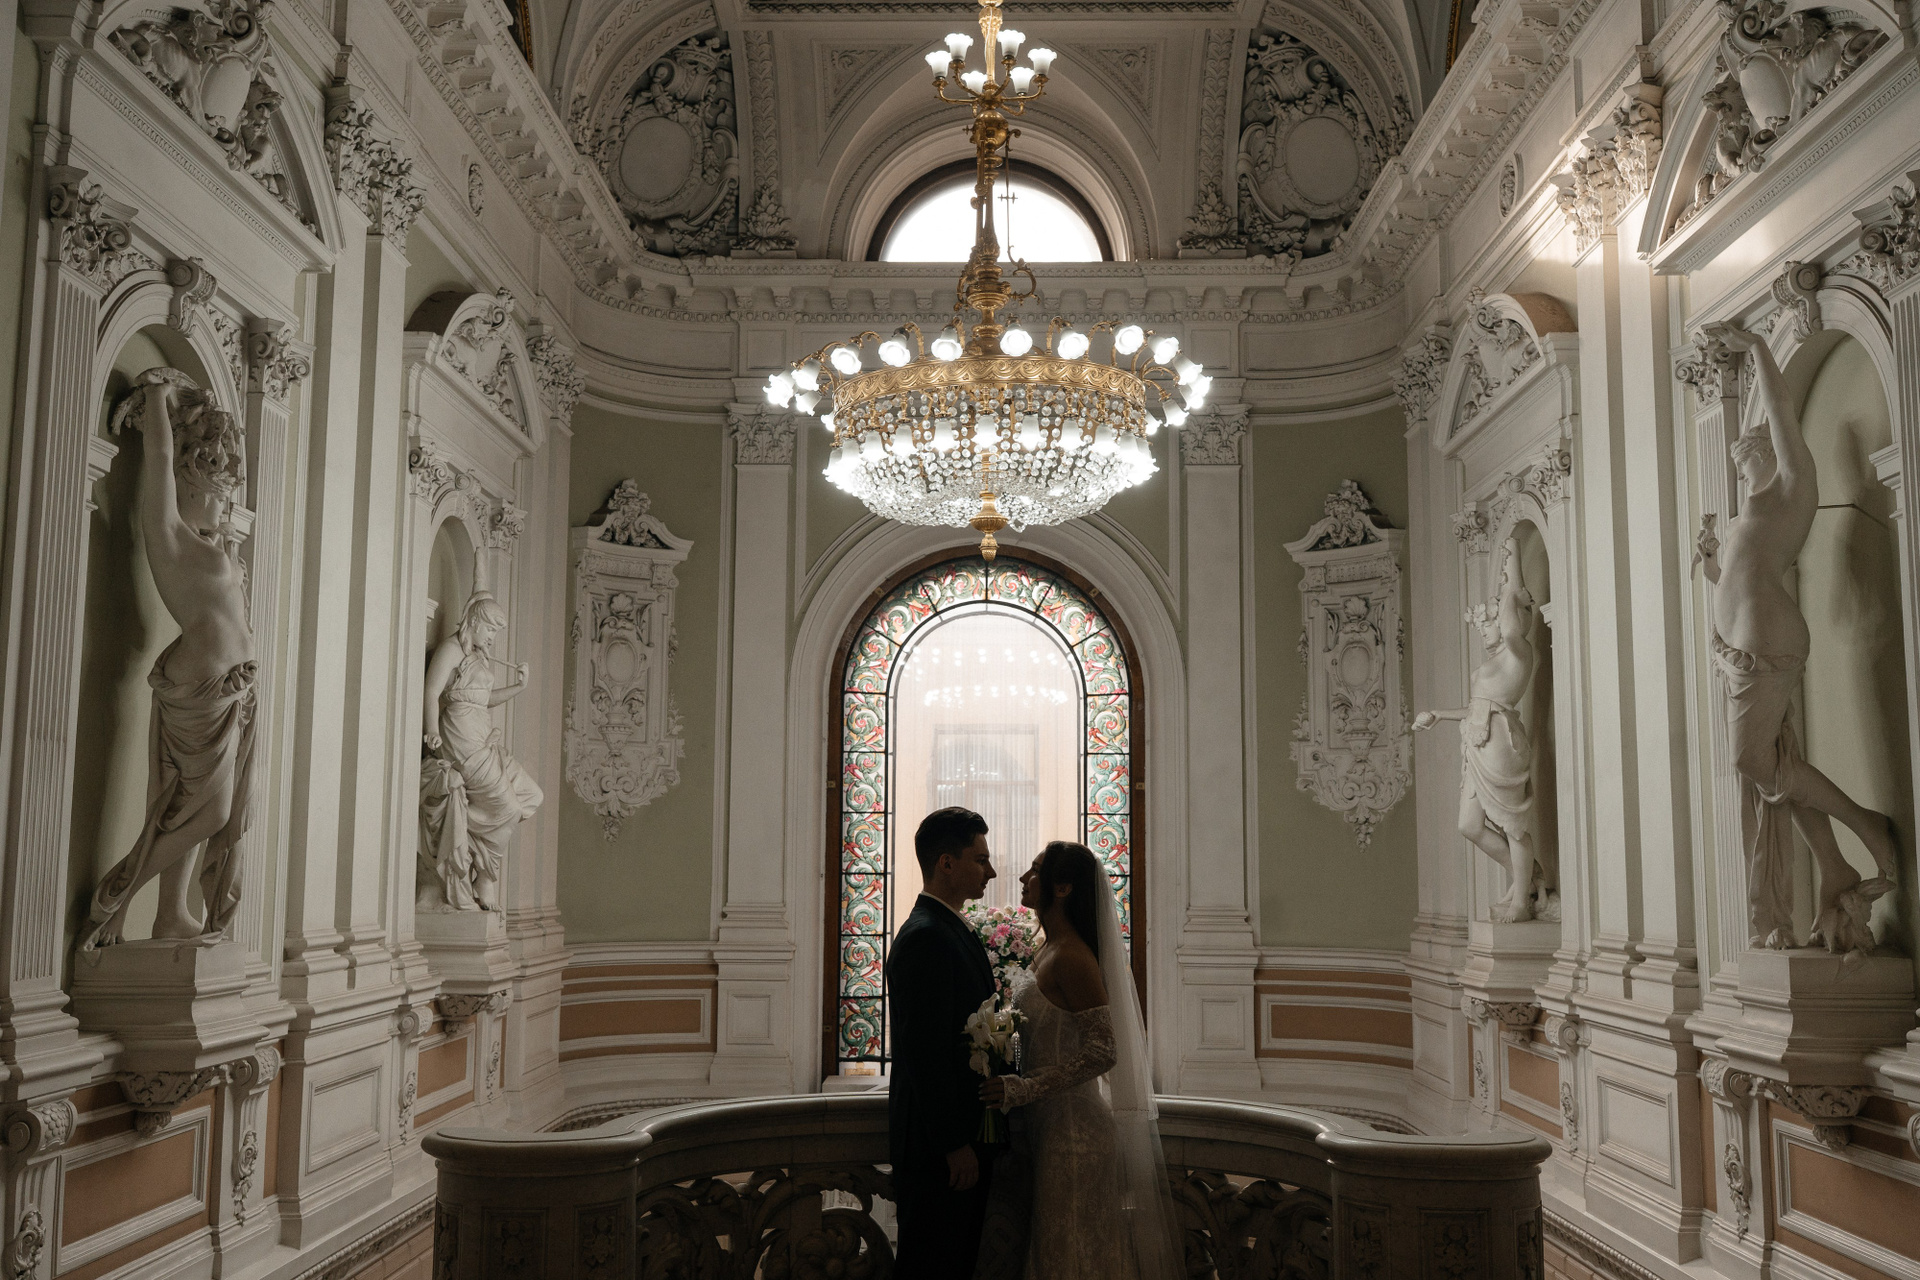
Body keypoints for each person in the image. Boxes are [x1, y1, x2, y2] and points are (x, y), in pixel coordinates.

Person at [1695, 323, 1897, 953]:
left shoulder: (1790, 488)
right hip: (1743, 648)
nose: (1741, 463)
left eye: (1749, 453)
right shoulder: (1748, 514)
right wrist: (1712, 564)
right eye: (1738, 460)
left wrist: (1757, 348)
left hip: (1769, 638)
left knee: (1750, 761)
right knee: (1777, 765)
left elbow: (1780, 411)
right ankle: (1833, 866)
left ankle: (1866, 825)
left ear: (1773, 454)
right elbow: (1737, 578)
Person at [81, 373, 256, 949]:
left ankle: (170, 914)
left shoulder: (211, 547)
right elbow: (157, 457)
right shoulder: (169, 535)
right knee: (211, 811)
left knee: (194, 807)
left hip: (229, 688)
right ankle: (117, 897)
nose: (222, 503)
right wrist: (157, 397)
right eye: (212, 490)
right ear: (184, 486)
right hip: (200, 683)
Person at [980, 841, 1182, 1279]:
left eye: (1035, 870)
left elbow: (1103, 1051)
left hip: (1076, 1135)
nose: (1023, 878)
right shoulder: (1046, 949)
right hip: (1048, 1128)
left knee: (1072, 1255)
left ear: (1063, 887)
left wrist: (1025, 1088)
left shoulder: (1072, 957)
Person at [886, 807, 999, 1280]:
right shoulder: (927, 937)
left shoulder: (949, 927)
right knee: (932, 1264)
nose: (991, 872)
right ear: (947, 863)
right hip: (939, 1152)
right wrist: (954, 1144)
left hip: (963, 1140)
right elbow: (924, 1052)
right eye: (981, 859)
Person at [1413, 543, 1546, 922]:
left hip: (1502, 741)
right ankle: (1529, 878)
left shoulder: (1519, 653)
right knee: (1469, 826)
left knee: (1513, 826)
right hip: (1476, 743)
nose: (1483, 630)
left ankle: (1521, 902)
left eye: (1488, 623)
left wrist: (1512, 566)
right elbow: (1477, 707)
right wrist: (1439, 715)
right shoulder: (1495, 661)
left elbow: (1511, 624)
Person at [420, 587, 543, 911]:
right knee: (509, 808)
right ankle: (485, 877)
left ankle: (469, 834)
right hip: (460, 739)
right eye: (490, 629)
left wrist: (519, 687)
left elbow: (484, 700)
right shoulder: (451, 650)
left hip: (483, 737)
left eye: (496, 632)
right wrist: (432, 732)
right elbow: (431, 691)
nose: (492, 637)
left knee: (531, 795)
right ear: (474, 621)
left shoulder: (476, 654)